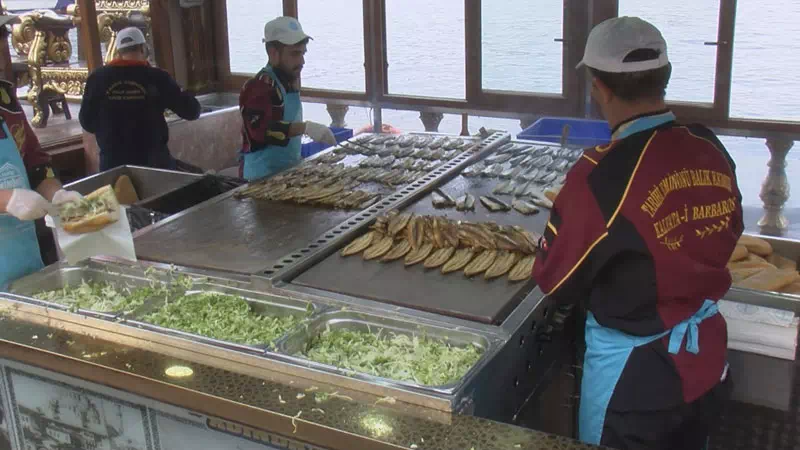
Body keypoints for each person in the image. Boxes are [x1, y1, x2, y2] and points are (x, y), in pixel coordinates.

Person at [531, 17, 743, 450]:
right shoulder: (709, 146)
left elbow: (555, 278)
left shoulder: (602, 176)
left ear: (598, 88)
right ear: (664, 80)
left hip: (636, 381)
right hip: (706, 363)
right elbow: (730, 226)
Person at [0, 14, 80, 289]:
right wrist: (7, 200)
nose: (2, 44)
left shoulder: (6, 102)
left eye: (1, 33)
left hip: (23, 263)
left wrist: (55, 192)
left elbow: (34, 162)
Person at [79, 27, 201, 171]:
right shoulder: (157, 78)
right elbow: (192, 111)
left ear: (118, 53)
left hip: (113, 165)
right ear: (144, 49)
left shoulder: (97, 79)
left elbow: (87, 122)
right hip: (154, 165)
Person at [238, 16, 336, 181]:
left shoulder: (289, 81)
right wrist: (305, 128)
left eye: (303, 53)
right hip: (260, 178)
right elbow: (260, 131)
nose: (302, 61)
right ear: (273, 53)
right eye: (295, 54)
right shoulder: (259, 86)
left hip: (286, 173)